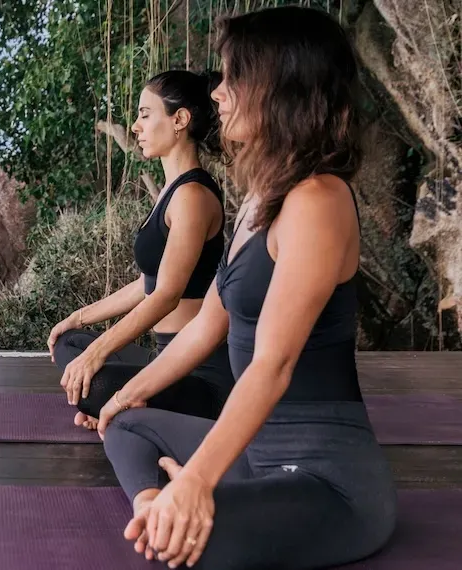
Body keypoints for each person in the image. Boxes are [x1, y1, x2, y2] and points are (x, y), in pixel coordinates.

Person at [94, 6, 397, 569]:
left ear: (280, 89)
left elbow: (272, 365)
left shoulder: (318, 201)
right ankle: (158, 503)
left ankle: (185, 508)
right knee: (127, 423)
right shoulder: (263, 199)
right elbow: (209, 323)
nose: (219, 94)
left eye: (234, 78)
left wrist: (200, 479)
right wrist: (126, 395)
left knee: (190, 547)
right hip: (254, 455)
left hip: (325, 479)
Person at [47, 69, 232, 430]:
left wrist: (98, 352)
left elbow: (165, 296)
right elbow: (146, 283)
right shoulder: (172, 191)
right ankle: (131, 406)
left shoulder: (192, 197)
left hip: (199, 376)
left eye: (146, 114)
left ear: (179, 119)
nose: (135, 126)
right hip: (163, 357)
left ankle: (132, 407)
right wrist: (79, 317)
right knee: (69, 343)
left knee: (92, 379)